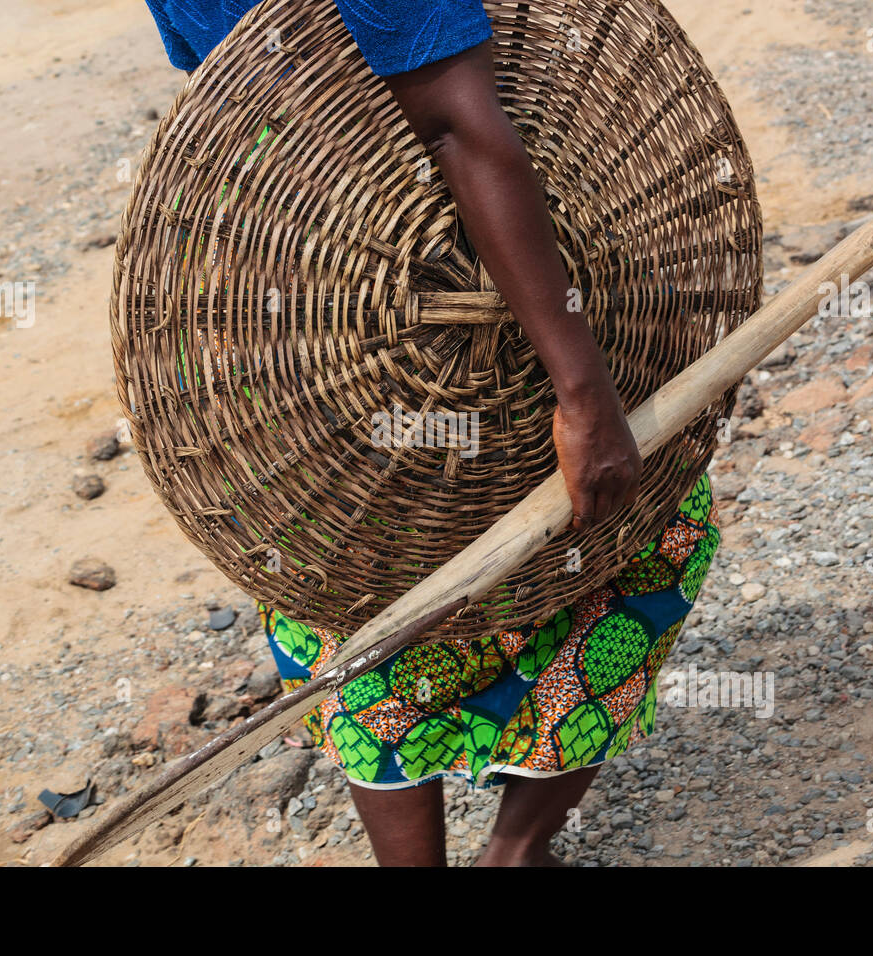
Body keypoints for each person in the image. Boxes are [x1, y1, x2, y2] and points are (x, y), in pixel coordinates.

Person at [143, 0, 721, 866]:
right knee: (643, 535)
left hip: (300, 304)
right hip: (456, 295)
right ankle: (516, 855)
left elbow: (236, 107)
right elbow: (455, 122)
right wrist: (584, 392)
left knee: (341, 573)